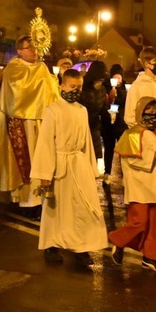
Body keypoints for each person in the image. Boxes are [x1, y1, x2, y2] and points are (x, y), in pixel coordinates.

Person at [30, 69, 108, 269]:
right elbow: (46, 143)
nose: (76, 91)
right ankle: (51, 245)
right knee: (56, 209)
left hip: (78, 163)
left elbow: (86, 141)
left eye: (79, 87)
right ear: (62, 86)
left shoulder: (82, 110)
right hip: (59, 164)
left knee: (82, 205)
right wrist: (44, 174)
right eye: (72, 87)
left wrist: (91, 168)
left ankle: (81, 246)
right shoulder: (53, 110)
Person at [109, 96, 156, 272]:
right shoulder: (131, 134)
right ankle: (118, 240)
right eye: (148, 113)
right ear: (140, 113)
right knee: (139, 221)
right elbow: (132, 160)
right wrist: (155, 156)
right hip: (139, 184)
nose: (152, 117)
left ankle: (152, 256)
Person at [0, 35, 58, 219]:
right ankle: (26, 201)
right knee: (25, 162)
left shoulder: (43, 68)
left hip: (41, 122)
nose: (35, 51)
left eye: (37, 47)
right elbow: (19, 93)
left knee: (42, 160)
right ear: (19, 50)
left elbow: (52, 92)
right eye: (30, 48)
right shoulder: (13, 68)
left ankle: (41, 199)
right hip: (21, 122)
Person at [124, 46, 156, 131]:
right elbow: (130, 117)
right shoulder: (136, 87)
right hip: (141, 137)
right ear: (147, 64)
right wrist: (155, 112)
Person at [79, 61, 109, 167]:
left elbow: (101, 108)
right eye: (98, 79)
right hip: (83, 125)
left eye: (102, 80)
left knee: (94, 157)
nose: (100, 82)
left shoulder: (102, 89)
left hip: (95, 126)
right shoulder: (83, 87)